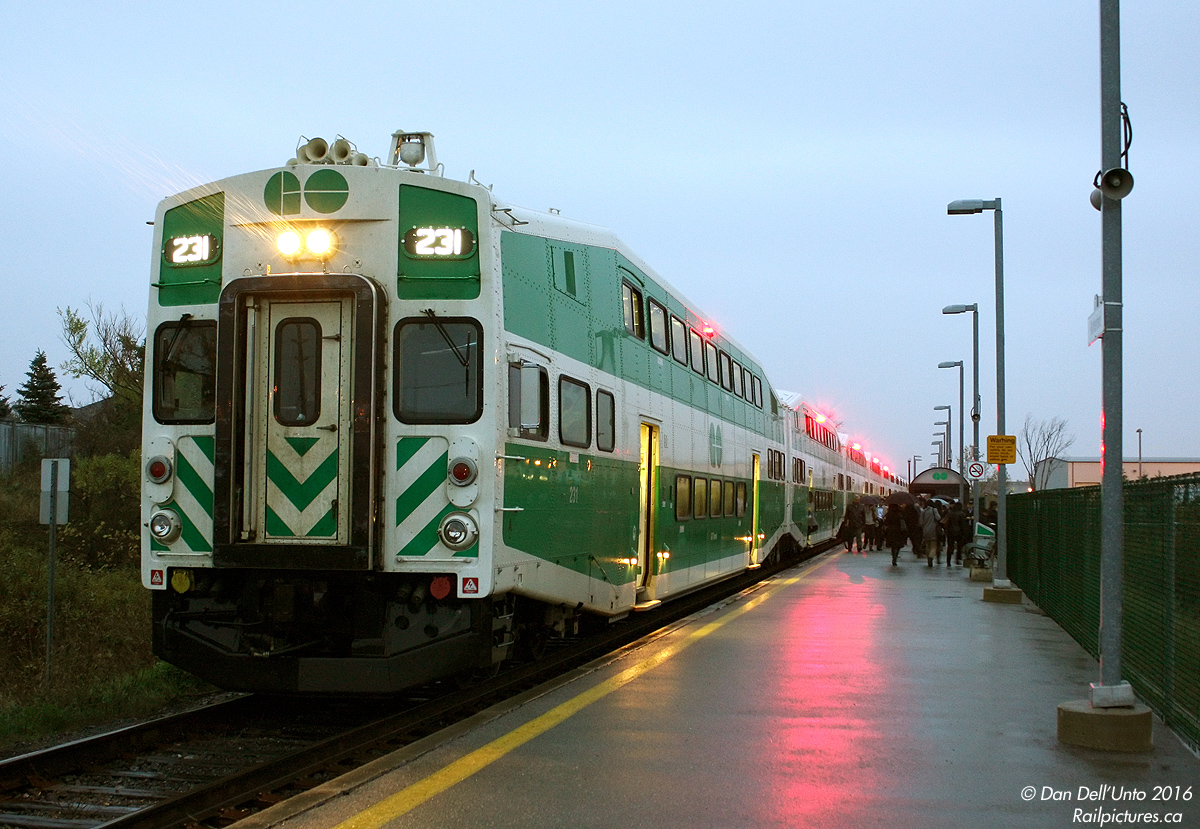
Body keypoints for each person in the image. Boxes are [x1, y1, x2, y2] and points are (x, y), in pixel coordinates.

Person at [919, 497, 941, 567]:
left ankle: (928, 557)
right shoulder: (934, 510)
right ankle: (930, 558)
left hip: (925, 531)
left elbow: (921, 522)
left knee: (928, 545)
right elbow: (938, 518)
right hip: (933, 530)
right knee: (933, 546)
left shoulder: (923, 511)